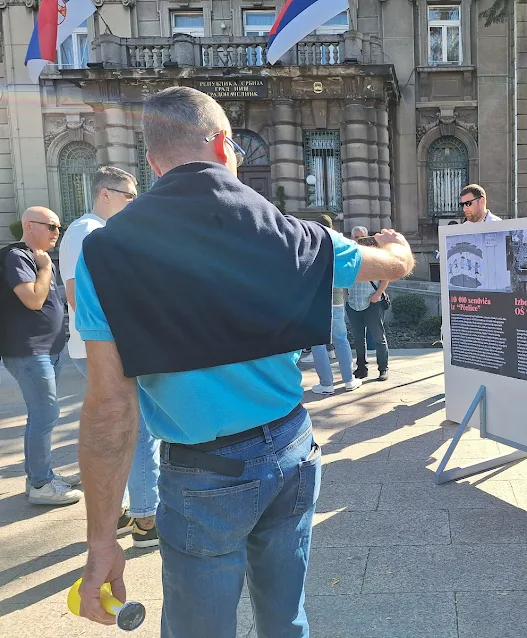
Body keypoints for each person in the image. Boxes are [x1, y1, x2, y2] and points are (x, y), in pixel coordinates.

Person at [73, 87, 414, 637]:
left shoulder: (107, 252)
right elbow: (391, 265)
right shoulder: (289, 233)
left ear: (153, 161)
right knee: (285, 619)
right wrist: (398, 247)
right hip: (292, 450)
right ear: (226, 145)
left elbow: (111, 407)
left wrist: (101, 541)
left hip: (204, 472)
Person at [59, 166, 161, 548]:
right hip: (104, 348)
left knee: (120, 431)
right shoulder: (89, 232)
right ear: (106, 193)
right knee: (135, 431)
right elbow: (76, 295)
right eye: (129, 195)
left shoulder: (89, 231)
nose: (133, 203)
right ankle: (147, 518)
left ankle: (122, 512)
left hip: (99, 346)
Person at [0, 207, 82, 505]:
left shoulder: (38, 258)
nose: (56, 232)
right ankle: (40, 484)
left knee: (40, 415)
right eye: (50, 226)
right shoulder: (18, 256)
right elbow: (33, 300)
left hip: (49, 350)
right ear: (28, 225)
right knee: (45, 414)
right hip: (29, 352)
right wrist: (45, 268)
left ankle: (40, 475)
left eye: (58, 227)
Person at [310, 219, 360, 395]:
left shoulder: (307, 242)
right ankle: (349, 380)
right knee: (341, 339)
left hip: (315, 301)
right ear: (331, 226)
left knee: (317, 343)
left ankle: (326, 384)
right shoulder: (335, 241)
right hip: (336, 298)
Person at [346, 226, 391, 381]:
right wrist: (347, 295)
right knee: (358, 339)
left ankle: (383, 368)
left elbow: (386, 277)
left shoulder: (375, 256)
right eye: (356, 237)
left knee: (378, 337)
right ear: (352, 238)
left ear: (367, 238)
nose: (359, 240)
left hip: (373, 302)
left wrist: (377, 294)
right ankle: (361, 368)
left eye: (362, 237)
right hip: (353, 303)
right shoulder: (349, 256)